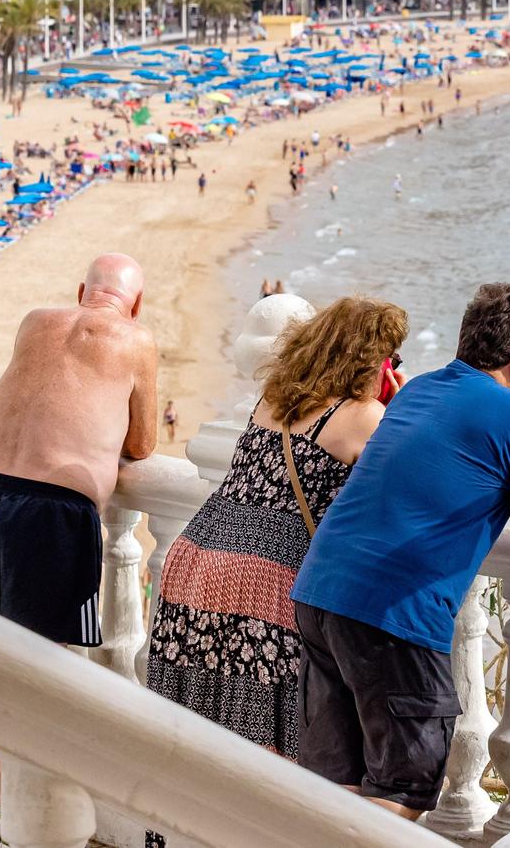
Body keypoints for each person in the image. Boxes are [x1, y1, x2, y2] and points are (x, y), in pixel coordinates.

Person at [291, 284, 510, 819]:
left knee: (337, 788)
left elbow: (444, 472)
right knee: (402, 792)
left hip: (321, 593)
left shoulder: (417, 391)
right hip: (393, 614)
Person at [0, 253, 159, 843]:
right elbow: (142, 444)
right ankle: (38, 818)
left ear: (80, 292)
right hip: (51, 514)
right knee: (47, 669)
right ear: (135, 304)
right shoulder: (135, 339)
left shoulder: (34, 320)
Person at [148, 297, 407, 757]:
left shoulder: (274, 397)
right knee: (267, 730)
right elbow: (413, 490)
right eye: (393, 357)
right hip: (267, 573)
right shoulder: (363, 417)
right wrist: (396, 404)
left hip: (196, 556)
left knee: (190, 723)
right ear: (373, 360)